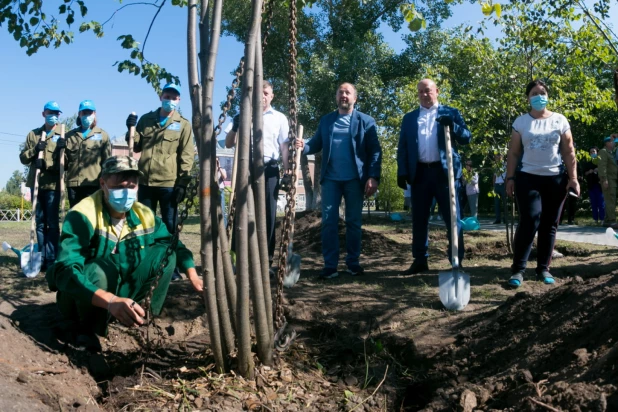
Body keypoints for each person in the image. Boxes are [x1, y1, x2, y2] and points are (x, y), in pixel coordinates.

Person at [46, 156, 202, 352]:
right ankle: (87, 330)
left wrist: (193, 274)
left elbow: (173, 245)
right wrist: (110, 301)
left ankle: (141, 317)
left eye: (132, 185)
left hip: (122, 293)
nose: (127, 192)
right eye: (120, 185)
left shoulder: (144, 214)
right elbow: (65, 270)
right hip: (82, 298)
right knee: (99, 270)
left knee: (165, 254)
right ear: (103, 183)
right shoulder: (82, 215)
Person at [296, 82, 382, 279]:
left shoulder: (365, 121)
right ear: (336, 97)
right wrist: (304, 145)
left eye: (347, 92)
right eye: (340, 92)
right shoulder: (326, 121)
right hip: (331, 180)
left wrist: (373, 176)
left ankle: (353, 263)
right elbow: (315, 144)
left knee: (353, 222)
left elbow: (375, 150)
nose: (344, 95)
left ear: (354, 98)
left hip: (355, 180)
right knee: (328, 222)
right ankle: (330, 266)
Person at [505, 79, 579, 288]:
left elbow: (568, 151)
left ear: (547, 95)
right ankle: (518, 270)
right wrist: (510, 178)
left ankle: (543, 269)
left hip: (556, 179)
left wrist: (573, 179)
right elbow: (514, 152)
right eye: (534, 93)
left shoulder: (559, 120)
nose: (539, 96)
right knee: (529, 221)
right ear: (528, 98)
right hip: (528, 178)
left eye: (542, 92)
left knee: (549, 225)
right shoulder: (521, 122)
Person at [397, 78, 471, 274]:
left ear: (437, 91)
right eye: (420, 91)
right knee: (419, 219)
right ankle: (420, 260)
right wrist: (402, 171)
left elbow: (466, 138)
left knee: (453, 218)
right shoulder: (410, 118)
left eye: (427, 90)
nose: (424, 94)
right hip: (420, 173)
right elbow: (403, 147)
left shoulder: (451, 113)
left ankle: (456, 259)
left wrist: (453, 126)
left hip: (445, 173)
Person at [125, 83, 195, 280]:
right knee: (144, 226)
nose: (170, 100)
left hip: (169, 184)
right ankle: (146, 264)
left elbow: (187, 155)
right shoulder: (146, 120)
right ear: (160, 96)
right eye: (167, 96)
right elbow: (136, 146)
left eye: (174, 97)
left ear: (178, 100)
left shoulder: (183, 124)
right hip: (146, 182)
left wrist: (183, 183)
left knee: (169, 227)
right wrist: (130, 127)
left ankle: (170, 266)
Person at [225, 80, 290, 272]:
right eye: (258, 92)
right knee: (241, 213)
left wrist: (287, 171)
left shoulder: (279, 118)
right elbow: (229, 143)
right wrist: (236, 127)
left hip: (269, 169)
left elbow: (284, 146)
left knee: (269, 216)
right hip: (245, 168)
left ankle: (266, 261)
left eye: (266, 93)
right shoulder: (241, 116)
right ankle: (238, 260)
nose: (262, 96)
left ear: (271, 96)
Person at [19, 101, 64, 271]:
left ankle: (52, 258)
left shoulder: (62, 134)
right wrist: (34, 151)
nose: (54, 115)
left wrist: (61, 150)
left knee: (52, 223)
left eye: (56, 113)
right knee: (39, 223)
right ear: (43, 114)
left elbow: (66, 162)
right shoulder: (34, 134)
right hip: (36, 184)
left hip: (53, 184)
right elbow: (23, 157)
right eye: (50, 112)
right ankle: (42, 258)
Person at [64, 100, 112, 207]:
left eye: (89, 113)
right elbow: (64, 164)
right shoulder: (70, 136)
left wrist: (105, 184)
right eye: (84, 113)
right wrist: (60, 149)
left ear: (94, 114)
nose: (86, 116)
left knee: (92, 217)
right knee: (76, 217)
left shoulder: (103, 135)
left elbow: (107, 163)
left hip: (93, 184)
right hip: (74, 185)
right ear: (79, 114)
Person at [598, 136, 618, 228]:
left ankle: (607, 220)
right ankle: (612, 221)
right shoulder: (603, 152)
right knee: (610, 199)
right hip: (608, 179)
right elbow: (602, 167)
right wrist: (604, 179)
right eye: (613, 142)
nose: (614, 143)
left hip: (613, 179)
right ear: (607, 143)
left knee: (611, 199)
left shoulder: (611, 152)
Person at [582, 146, 604, 224]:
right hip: (591, 185)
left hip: (599, 185)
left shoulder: (600, 162)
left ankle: (602, 219)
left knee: (601, 203)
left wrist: (598, 170)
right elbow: (584, 173)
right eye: (591, 152)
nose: (592, 153)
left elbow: (605, 172)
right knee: (593, 203)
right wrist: (589, 172)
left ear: (597, 152)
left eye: (594, 151)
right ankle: (595, 219)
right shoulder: (588, 163)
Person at [493, 153, 507, 224]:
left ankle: (505, 219)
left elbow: (507, 174)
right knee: (497, 203)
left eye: (498, 156)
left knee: (505, 203)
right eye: (496, 156)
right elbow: (494, 176)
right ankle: (498, 219)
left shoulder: (505, 164)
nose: (497, 157)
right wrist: (494, 185)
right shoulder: (496, 165)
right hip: (497, 185)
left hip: (503, 185)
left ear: (501, 156)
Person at [216, 157, 228, 226]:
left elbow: (224, 177)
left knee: (222, 208)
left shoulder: (222, 169)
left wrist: (219, 167)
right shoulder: (210, 170)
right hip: (212, 190)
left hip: (220, 190)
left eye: (217, 161)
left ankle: (224, 227)